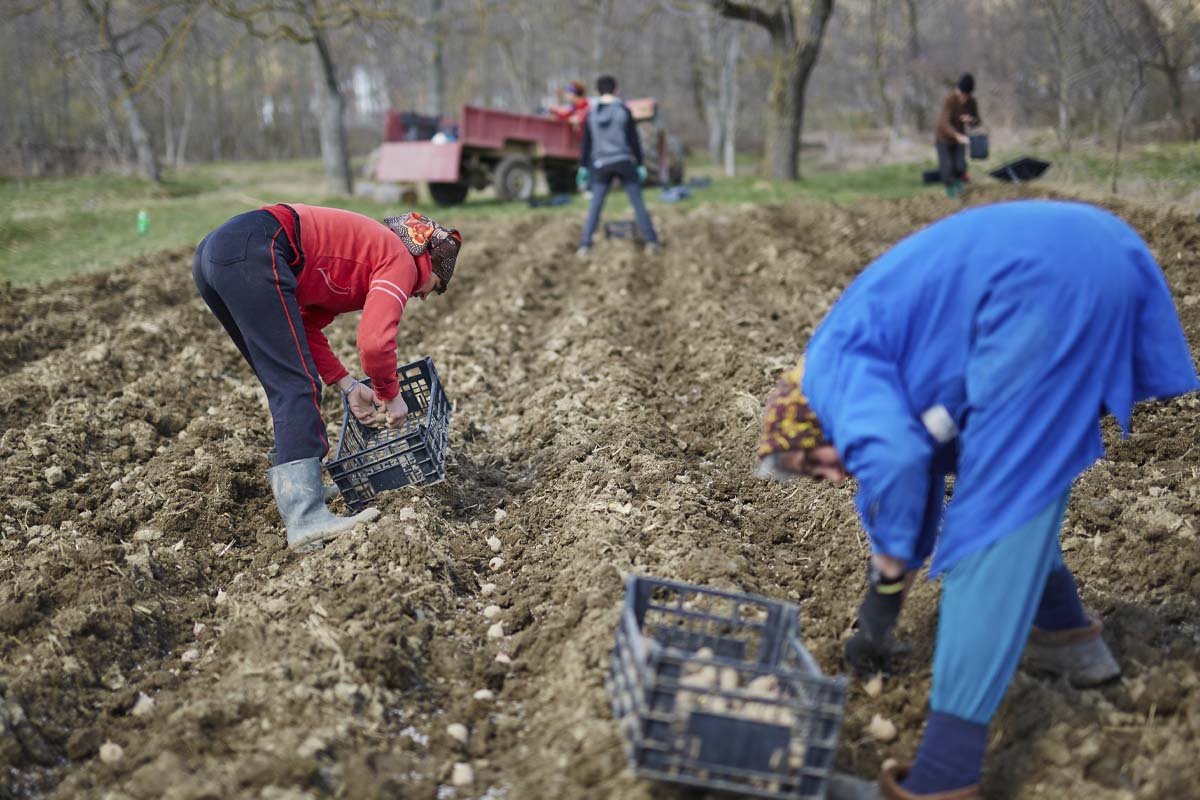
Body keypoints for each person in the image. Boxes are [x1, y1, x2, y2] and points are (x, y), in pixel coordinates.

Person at [756, 201, 1198, 799]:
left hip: (1043, 288)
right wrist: (884, 602)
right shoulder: (852, 357)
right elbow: (919, 462)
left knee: (991, 523)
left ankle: (943, 776)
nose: (831, 477)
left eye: (815, 461)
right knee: (1019, 485)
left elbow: (898, 459)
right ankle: (1070, 643)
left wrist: (889, 560)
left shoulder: (830, 375)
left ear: (807, 423)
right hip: (1081, 258)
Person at [192, 205, 462, 551]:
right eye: (434, 285)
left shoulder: (364, 256)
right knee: (294, 383)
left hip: (218, 252)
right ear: (426, 260)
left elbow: (303, 325)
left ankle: (303, 493)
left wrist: (348, 385)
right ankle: (306, 518)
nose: (424, 296)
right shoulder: (400, 262)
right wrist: (389, 393)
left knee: (285, 378)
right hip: (255, 247)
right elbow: (375, 344)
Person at [576, 74, 660, 257]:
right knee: (638, 204)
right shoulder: (623, 111)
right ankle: (651, 241)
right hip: (623, 162)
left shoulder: (592, 114)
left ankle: (585, 245)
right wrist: (640, 163)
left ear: (598, 91)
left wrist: (583, 166)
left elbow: (586, 143)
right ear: (616, 89)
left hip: (600, 165)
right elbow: (634, 140)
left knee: (595, 206)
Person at [934, 73, 980, 199]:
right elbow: (944, 122)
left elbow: (977, 121)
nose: (963, 98)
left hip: (961, 138)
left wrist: (971, 120)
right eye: (961, 94)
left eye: (966, 95)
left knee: (960, 166)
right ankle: (950, 192)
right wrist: (956, 135)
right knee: (947, 167)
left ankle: (960, 187)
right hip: (944, 137)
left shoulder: (972, 102)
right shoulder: (949, 100)